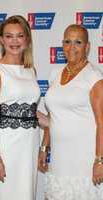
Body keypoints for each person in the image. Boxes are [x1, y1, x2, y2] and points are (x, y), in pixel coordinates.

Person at [0, 15, 48, 200]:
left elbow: (31, 111)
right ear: (1, 40)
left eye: (19, 36)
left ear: (27, 40)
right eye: (9, 36)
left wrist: (57, 125)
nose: (14, 41)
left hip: (29, 144)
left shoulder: (31, 70)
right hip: (7, 145)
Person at [39, 24, 103, 199]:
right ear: (62, 44)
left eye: (78, 42)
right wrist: (44, 147)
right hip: (60, 157)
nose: (71, 47)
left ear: (87, 47)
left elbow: (101, 124)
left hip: (84, 158)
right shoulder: (55, 74)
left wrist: (99, 160)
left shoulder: (94, 78)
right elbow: (53, 116)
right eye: (67, 41)